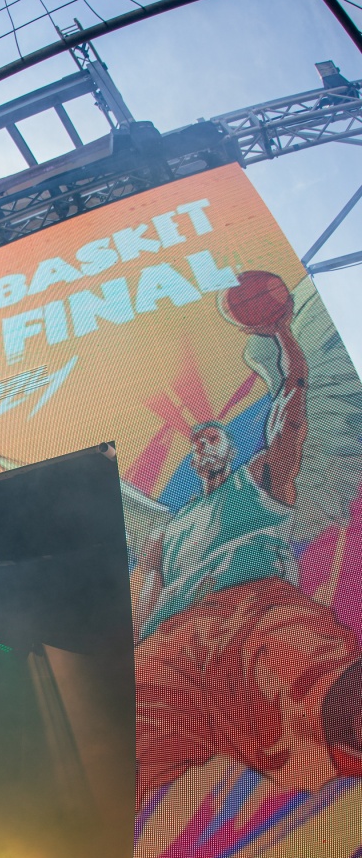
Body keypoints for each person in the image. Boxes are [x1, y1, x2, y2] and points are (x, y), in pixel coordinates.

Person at [130, 275, 362, 806]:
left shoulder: (258, 483)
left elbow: (290, 421)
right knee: (103, 761)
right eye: (198, 443)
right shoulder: (166, 532)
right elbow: (144, 604)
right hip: (173, 658)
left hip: (259, 621)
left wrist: (286, 340)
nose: (205, 446)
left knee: (333, 697)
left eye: (213, 437)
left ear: (230, 447)